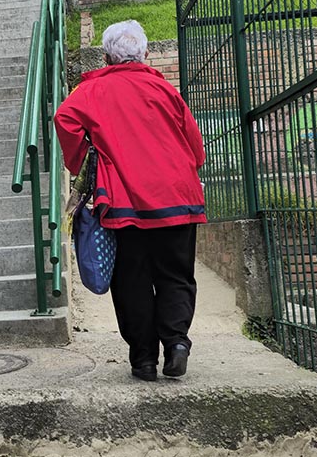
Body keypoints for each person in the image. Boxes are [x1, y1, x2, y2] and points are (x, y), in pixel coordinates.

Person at [53, 20, 206, 382]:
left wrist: (85, 159)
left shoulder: (93, 91)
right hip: (176, 196)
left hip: (125, 202)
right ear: (146, 55)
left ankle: (143, 359)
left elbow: (65, 119)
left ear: (106, 57)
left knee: (131, 277)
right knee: (176, 274)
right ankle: (177, 343)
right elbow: (195, 148)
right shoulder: (165, 90)